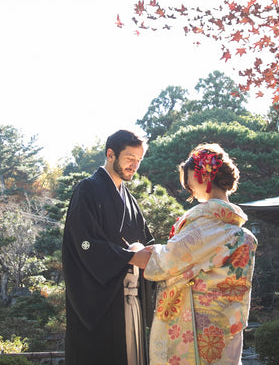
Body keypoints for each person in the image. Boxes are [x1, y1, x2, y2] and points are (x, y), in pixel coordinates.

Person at [132, 143, 257, 365]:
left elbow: (166, 261)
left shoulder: (207, 226)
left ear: (203, 177)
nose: (187, 186)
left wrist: (132, 252)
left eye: (189, 179)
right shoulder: (239, 233)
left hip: (197, 332)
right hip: (226, 329)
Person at [62, 129, 155, 365]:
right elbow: (83, 242)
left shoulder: (130, 200)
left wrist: (156, 253)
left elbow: (148, 242)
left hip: (132, 299)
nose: (134, 166)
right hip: (101, 302)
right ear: (110, 154)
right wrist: (130, 257)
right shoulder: (87, 189)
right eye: (130, 159)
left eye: (139, 161)